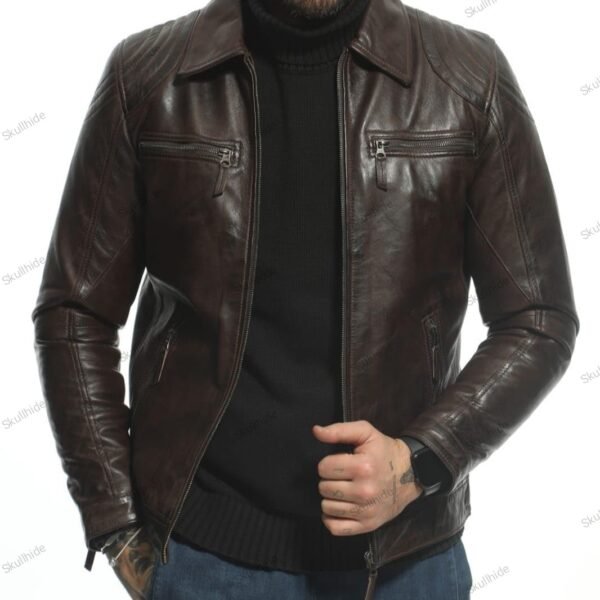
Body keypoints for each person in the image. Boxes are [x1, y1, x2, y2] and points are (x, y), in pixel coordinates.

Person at [31, 0, 580, 598]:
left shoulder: (468, 77)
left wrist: (419, 462)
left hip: (407, 563)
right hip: (202, 559)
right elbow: (74, 312)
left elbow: (538, 318)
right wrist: (115, 526)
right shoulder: (150, 75)